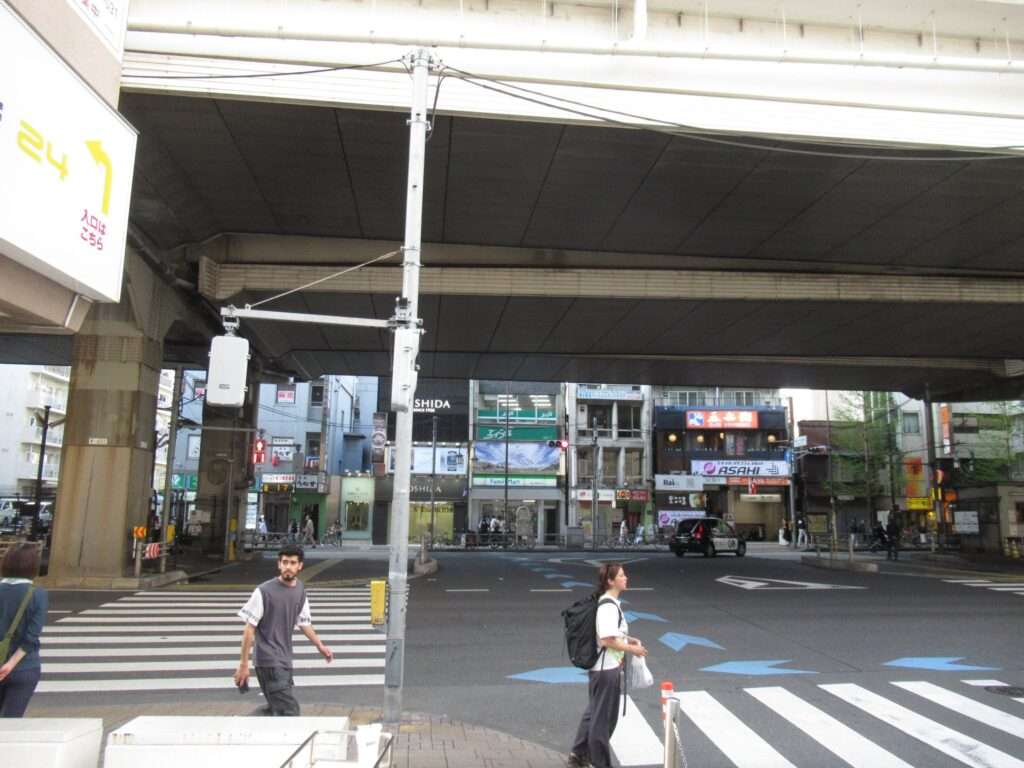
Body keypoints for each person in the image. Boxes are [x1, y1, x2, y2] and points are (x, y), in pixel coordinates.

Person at [235, 544, 333, 715]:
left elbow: (303, 622)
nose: (288, 566)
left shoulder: (300, 590)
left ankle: (241, 727)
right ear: (279, 564)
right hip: (268, 661)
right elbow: (249, 629)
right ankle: (241, 728)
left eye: (293, 563)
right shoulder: (264, 591)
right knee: (289, 710)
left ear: (300, 566)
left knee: (277, 709)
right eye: (285, 562)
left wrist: (320, 646)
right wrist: (243, 664)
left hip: (285, 659)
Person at [568, 562, 647, 768]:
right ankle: (599, 762)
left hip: (605, 669)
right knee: (603, 722)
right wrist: (634, 650)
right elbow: (606, 640)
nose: (625, 578)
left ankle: (578, 755)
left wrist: (629, 639)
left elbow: (613, 634)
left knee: (594, 714)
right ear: (610, 581)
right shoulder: (608, 606)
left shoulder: (610, 603)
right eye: (621, 575)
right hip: (606, 670)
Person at [0, 543, 48, 717]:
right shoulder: (37, 594)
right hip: (24, 666)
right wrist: (10, 664)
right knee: (11, 724)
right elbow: (31, 636)